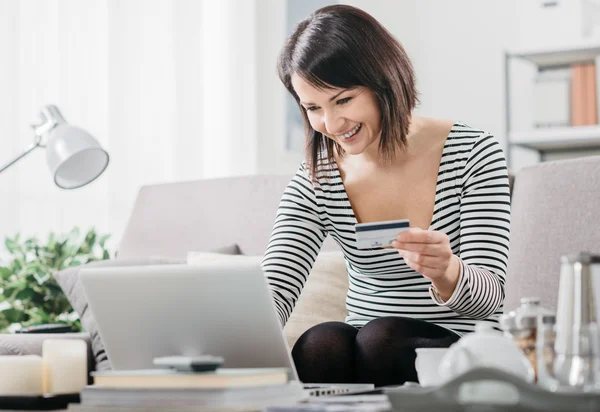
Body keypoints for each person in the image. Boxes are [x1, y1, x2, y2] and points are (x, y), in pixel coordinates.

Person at [260, 4, 510, 387]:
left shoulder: (473, 154)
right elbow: (275, 288)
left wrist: (447, 272)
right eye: (313, 108)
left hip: (461, 347)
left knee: (382, 340)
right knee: (319, 343)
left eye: (343, 100)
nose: (331, 124)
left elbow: (490, 298)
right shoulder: (318, 178)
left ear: (384, 81)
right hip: (365, 348)